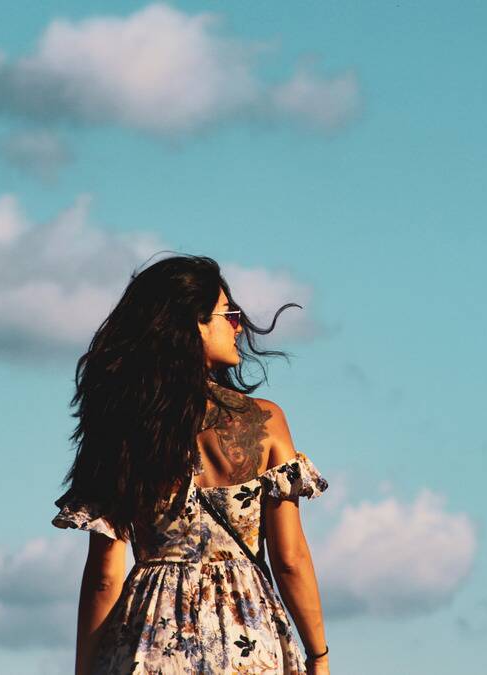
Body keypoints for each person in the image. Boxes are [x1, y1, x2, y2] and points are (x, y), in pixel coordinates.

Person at [51, 254, 331, 675]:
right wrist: (318, 656)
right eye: (228, 314)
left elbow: (105, 578)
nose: (238, 326)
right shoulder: (265, 422)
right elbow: (289, 559)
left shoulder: (122, 431)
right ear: (193, 324)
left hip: (150, 641)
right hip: (250, 640)